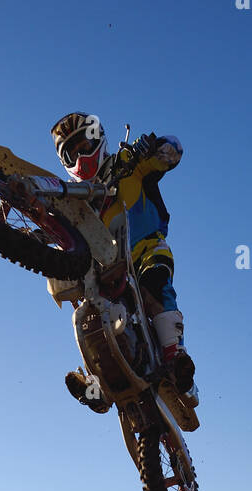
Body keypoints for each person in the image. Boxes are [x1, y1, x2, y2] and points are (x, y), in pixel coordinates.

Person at [50, 112, 196, 411]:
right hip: (103, 268)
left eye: (84, 144)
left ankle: (176, 358)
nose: (80, 154)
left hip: (143, 248)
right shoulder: (72, 200)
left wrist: (156, 147)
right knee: (88, 312)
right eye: (72, 151)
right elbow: (55, 232)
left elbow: (172, 153)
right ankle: (97, 383)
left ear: (99, 139)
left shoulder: (128, 162)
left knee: (154, 283)